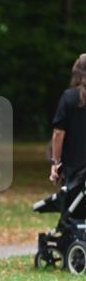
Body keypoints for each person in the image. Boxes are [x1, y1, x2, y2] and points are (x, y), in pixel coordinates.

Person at [50, 53, 86, 186]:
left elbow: (58, 133)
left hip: (73, 169)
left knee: (74, 205)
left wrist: (55, 162)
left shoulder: (69, 97)